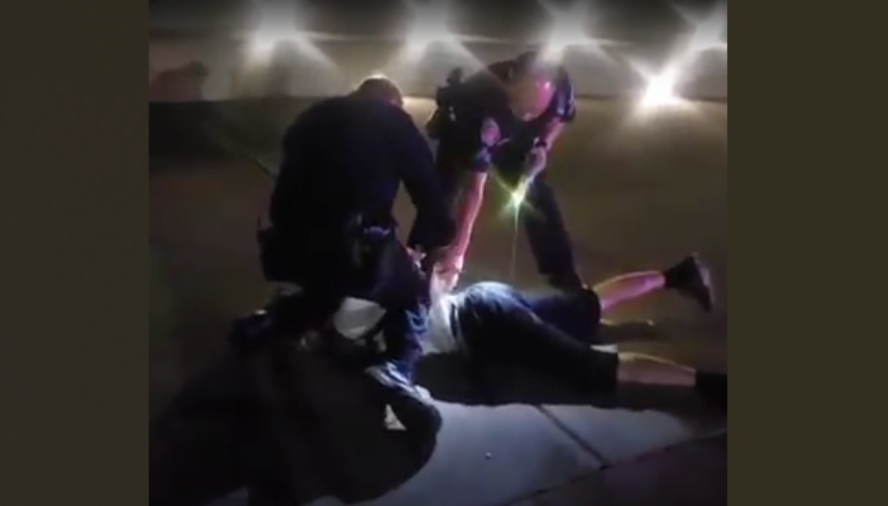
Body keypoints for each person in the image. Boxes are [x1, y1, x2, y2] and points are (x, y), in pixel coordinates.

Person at [258, 76, 456, 407]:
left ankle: (286, 330)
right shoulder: (394, 120)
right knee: (414, 294)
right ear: (393, 102)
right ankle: (396, 370)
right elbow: (432, 199)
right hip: (350, 252)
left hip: (283, 248)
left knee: (318, 290)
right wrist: (424, 249)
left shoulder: (312, 116)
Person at [419, 253, 726, 404]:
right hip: (483, 298)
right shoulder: (390, 272)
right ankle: (678, 275)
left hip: (484, 321)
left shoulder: (386, 306)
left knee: (589, 367)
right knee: (587, 305)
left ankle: (713, 384)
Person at [409, 50, 584, 291]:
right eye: (523, 109)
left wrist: (543, 146)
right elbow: (473, 189)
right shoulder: (480, 101)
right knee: (443, 192)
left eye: (535, 112)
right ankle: (419, 259)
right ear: (510, 84)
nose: (527, 116)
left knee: (538, 196)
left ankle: (564, 278)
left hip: (519, 141)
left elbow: (558, 119)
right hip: (461, 132)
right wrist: (459, 250)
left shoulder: (559, 84)